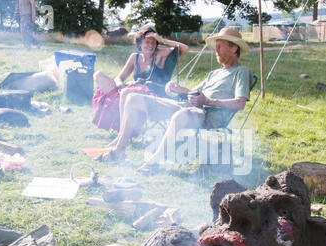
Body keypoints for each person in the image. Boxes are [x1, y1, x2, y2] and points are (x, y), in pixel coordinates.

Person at [96, 28, 252, 176]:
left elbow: (240, 103)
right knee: (132, 97)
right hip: (188, 107)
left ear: (233, 49)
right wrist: (176, 88)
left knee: (181, 115)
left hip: (206, 115)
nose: (216, 50)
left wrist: (207, 101)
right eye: (216, 46)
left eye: (220, 47)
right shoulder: (215, 73)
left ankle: (153, 163)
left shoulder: (241, 72)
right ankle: (119, 151)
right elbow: (192, 92)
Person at [92, 25, 189, 133]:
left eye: (153, 42)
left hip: (152, 96)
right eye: (147, 42)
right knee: (98, 75)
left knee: (127, 91)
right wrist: (120, 84)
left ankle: (124, 132)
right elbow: (119, 77)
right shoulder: (135, 57)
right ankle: (118, 123)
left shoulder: (160, 55)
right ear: (140, 44)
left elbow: (185, 48)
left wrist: (162, 39)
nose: (151, 45)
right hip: (129, 92)